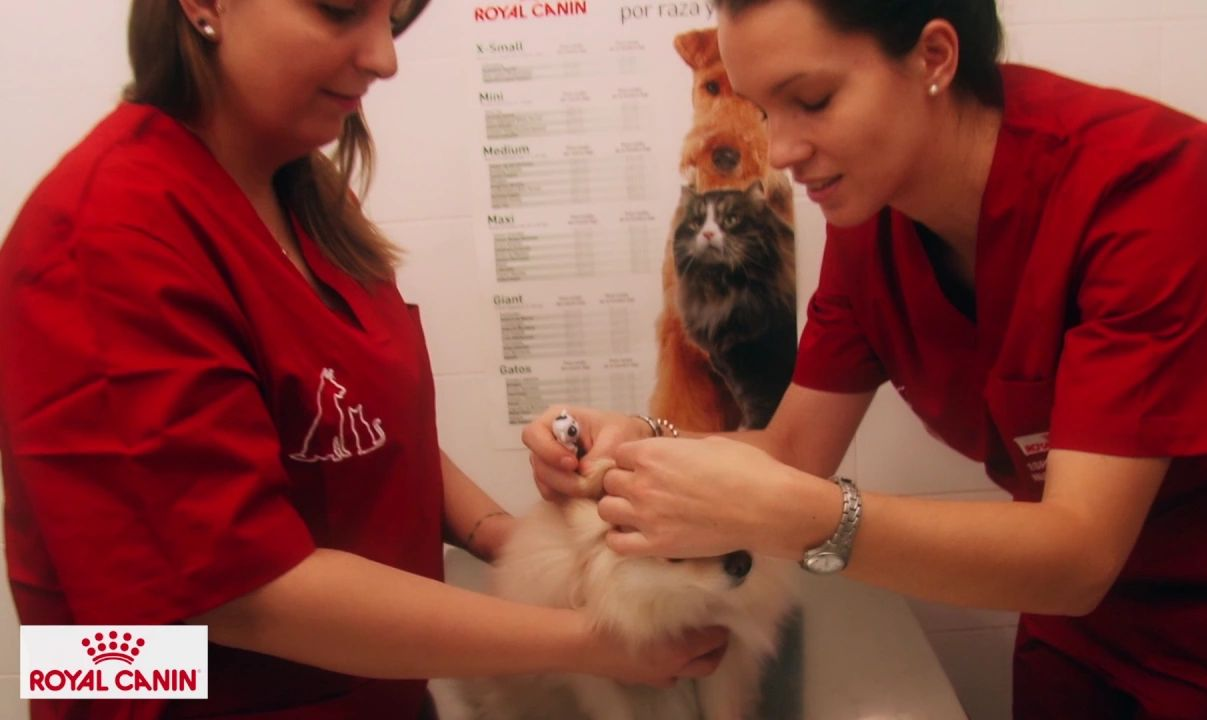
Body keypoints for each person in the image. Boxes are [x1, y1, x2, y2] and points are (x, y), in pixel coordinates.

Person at [524, 0, 1207, 717]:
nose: (780, 153)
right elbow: (790, 454)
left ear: (934, 56)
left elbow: (1082, 550)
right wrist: (641, 443)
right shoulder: (872, 220)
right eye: (763, 112)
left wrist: (813, 521)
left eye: (812, 100)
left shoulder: (1152, 184)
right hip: (1066, 626)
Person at [0, 1, 727, 718]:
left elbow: (358, 429)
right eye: (341, 9)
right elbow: (243, 593)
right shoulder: (102, 239)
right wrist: (596, 643)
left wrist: (510, 540)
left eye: (392, 17)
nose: (385, 57)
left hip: (371, 690)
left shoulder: (302, 192)